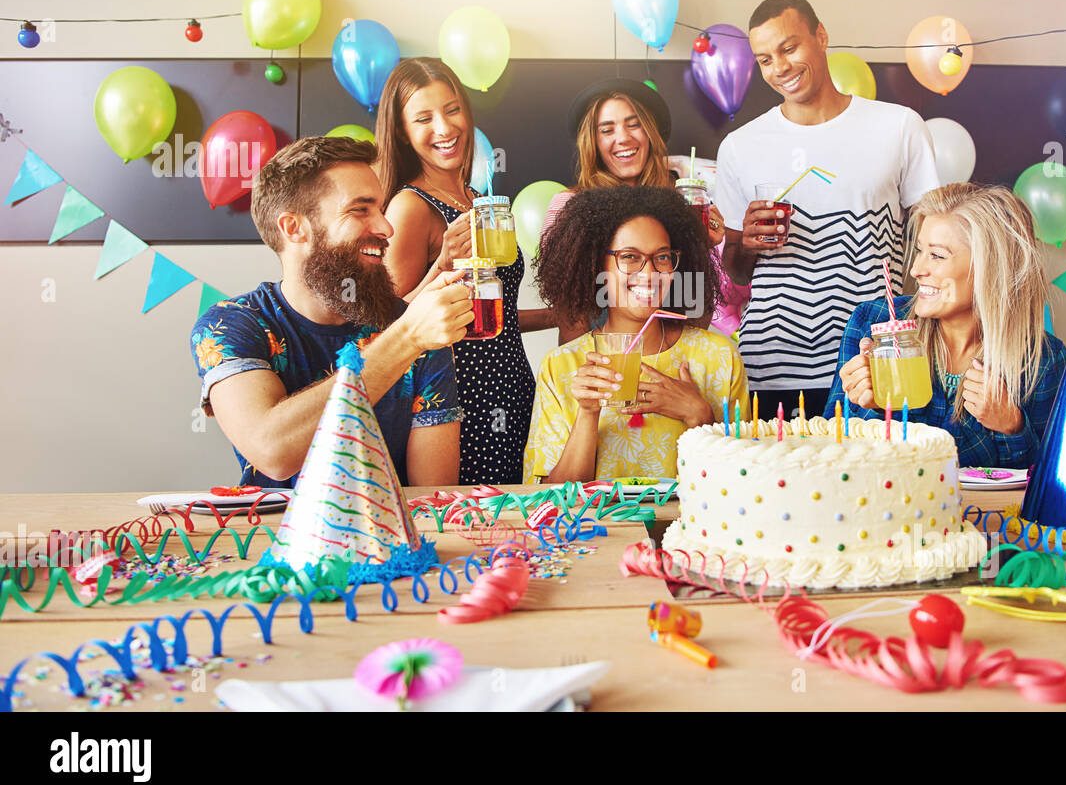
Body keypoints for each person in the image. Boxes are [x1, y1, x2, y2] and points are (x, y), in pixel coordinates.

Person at [190, 136, 471, 488]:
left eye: (381, 209)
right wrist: (408, 338)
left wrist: (412, 334)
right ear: (294, 228)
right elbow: (273, 452)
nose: (387, 228)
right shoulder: (231, 325)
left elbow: (433, 496)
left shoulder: (415, 330)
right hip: (270, 540)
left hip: (388, 541)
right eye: (360, 209)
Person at [715, 0, 941, 420]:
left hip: (873, 359)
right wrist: (746, 242)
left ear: (821, 36)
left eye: (789, 48)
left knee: (875, 482)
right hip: (773, 364)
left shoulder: (898, 126)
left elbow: (932, 245)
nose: (779, 67)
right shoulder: (740, 146)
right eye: (764, 60)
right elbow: (737, 271)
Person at [375, 57, 546, 486]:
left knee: (515, 525)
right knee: (470, 526)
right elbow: (388, 324)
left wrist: (552, 316)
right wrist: (442, 264)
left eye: (452, 110)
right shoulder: (411, 206)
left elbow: (487, 315)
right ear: (401, 130)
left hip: (512, 385)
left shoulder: (476, 198)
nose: (445, 127)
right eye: (424, 117)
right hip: (458, 398)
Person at [825, 183, 1066, 468]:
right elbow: (831, 452)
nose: (916, 270)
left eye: (937, 255)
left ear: (991, 268)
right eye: (919, 251)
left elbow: (1051, 483)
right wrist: (869, 408)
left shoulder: (1043, 359)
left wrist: (1012, 426)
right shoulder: (873, 322)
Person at [523, 186, 748, 483]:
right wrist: (587, 414)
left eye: (663, 257)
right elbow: (551, 502)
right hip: (601, 530)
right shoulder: (561, 366)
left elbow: (743, 485)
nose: (649, 273)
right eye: (629, 257)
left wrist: (700, 416)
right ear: (596, 264)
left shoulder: (719, 357)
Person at [544, 79, 726, 344]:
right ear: (592, 142)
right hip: (601, 365)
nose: (623, 138)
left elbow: (696, 313)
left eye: (634, 124)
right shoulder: (569, 206)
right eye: (607, 130)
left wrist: (701, 249)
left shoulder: (681, 205)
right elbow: (571, 317)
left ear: (650, 131)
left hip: (672, 359)